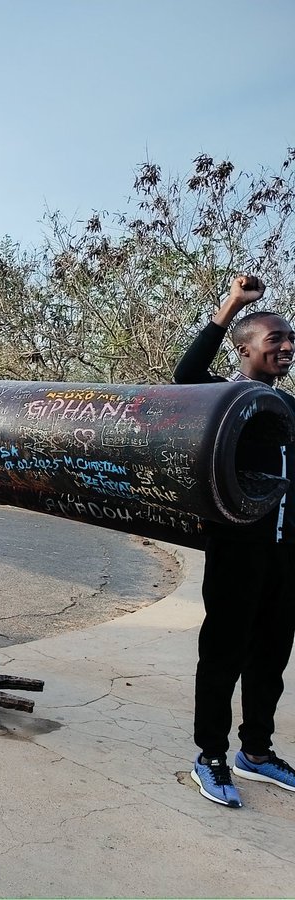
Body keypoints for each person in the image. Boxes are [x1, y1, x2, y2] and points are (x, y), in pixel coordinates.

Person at [174, 273, 295, 807]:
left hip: (286, 556)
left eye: (291, 339)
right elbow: (184, 374)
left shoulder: (288, 407)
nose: (288, 346)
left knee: (271, 656)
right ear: (245, 349)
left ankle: (258, 752)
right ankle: (211, 756)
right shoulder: (221, 398)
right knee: (223, 655)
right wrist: (230, 305)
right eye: (276, 339)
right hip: (237, 552)